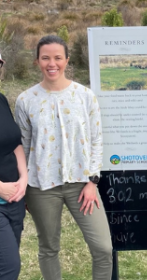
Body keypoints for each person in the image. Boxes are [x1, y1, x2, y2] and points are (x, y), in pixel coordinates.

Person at [14, 35, 113, 280]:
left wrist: (93, 181)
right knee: (48, 248)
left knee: (103, 248)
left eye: (58, 57)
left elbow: (96, 140)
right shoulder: (25, 100)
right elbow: (23, 147)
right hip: (41, 186)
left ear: (67, 60)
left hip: (82, 184)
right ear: (37, 61)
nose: (52, 63)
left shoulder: (85, 96)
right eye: (45, 57)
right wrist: (24, 185)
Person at [0, 51, 28, 280]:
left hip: (14, 200)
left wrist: (24, 178)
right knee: (9, 268)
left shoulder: (1, 100)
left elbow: (15, 142)